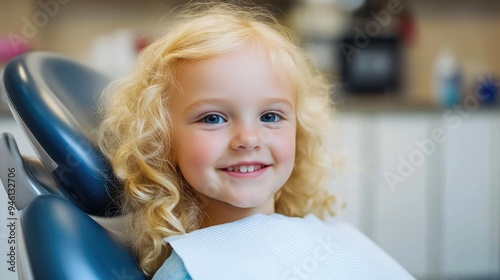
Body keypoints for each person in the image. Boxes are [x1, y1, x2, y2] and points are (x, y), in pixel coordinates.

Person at [97, 2, 415, 279]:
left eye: (270, 117)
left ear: (298, 132)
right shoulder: (192, 271)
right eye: (213, 118)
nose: (248, 139)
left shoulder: (333, 236)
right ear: (160, 138)